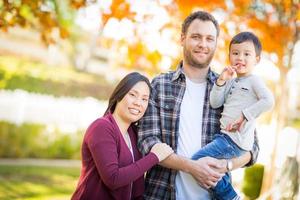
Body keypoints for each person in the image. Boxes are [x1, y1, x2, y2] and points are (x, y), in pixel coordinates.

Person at [138, 11, 260, 200]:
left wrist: (227, 165)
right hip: (162, 193)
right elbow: (147, 141)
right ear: (182, 39)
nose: (203, 44)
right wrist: (192, 167)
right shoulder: (159, 85)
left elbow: (252, 148)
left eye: (209, 39)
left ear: (215, 43)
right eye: (196, 37)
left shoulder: (231, 87)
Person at [191, 31, 274, 200]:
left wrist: (245, 115)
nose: (240, 58)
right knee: (217, 170)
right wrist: (222, 81)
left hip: (234, 140)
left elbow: (269, 101)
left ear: (257, 59)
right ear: (229, 56)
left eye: (246, 54)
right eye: (235, 53)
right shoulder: (232, 80)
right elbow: (215, 102)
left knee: (196, 161)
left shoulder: (254, 81)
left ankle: (229, 196)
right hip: (224, 137)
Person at [71, 72, 174, 200]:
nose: (138, 103)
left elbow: (135, 185)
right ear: (119, 95)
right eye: (132, 95)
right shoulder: (102, 127)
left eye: (144, 99)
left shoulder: (134, 133)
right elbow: (113, 179)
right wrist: (154, 157)